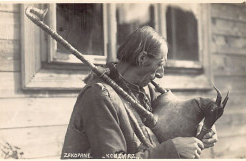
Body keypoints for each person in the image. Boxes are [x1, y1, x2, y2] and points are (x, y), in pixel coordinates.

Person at [61, 26, 217, 159]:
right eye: (160, 64)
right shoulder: (99, 96)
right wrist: (171, 150)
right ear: (142, 58)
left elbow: (169, 124)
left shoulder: (144, 89)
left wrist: (199, 129)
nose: (161, 74)